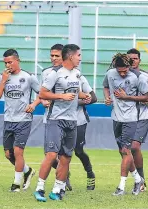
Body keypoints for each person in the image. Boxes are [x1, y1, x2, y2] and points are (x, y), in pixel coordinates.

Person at [34, 44, 90, 201]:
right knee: (51, 155)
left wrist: (83, 95)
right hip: (56, 119)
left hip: (72, 121)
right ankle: (39, 188)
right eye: (79, 55)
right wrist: (61, 97)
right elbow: (43, 93)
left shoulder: (77, 74)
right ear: (71, 56)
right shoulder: (54, 74)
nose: (80, 58)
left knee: (66, 157)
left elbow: (74, 90)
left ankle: (57, 190)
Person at [0, 49, 40, 192]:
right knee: (8, 154)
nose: (8, 65)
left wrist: (33, 105)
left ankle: (16, 184)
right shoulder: (3, 77)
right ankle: (27, 171)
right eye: (5, 63)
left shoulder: (28, 77)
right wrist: (4, 81)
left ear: (17, 61)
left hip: (23, 120)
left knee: (18, 151)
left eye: (10, 62)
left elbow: (42, 93)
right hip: (8, 119)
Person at [103, 53, 148, 196]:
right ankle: (138, 179)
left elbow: (147, 97)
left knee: (126, 151)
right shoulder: (110, 74)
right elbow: (105, 86)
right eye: (119, 71)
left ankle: (121, 187)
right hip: (116, 118)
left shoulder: (138, 77)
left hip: (131, 119)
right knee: (123, 152)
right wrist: (107, 97)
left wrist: (126, 97)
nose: (122, 74)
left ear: (129, 66)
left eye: (125, 70)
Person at [40, 44, 72, 191]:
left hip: (67, 118)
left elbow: (79, 93)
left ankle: (62, 182)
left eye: (56, 56)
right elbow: (41, 93)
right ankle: (63, 178)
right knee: (50, 154)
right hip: (50, 117)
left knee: (63, 154)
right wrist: (43, 101)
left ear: (64, 56)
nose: (53, 58)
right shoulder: (46, 72)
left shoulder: (73, 73)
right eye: (51, 55)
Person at [126, 48, 148, 191]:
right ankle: (138, 180)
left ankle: (141, 179)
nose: (132, 61)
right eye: (129, 59)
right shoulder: (121, 75)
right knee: (126, 149)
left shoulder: (146, 75)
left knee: (134, 147)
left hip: (142, 116)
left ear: (139, 60)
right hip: (125, 117)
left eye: (135, 58)